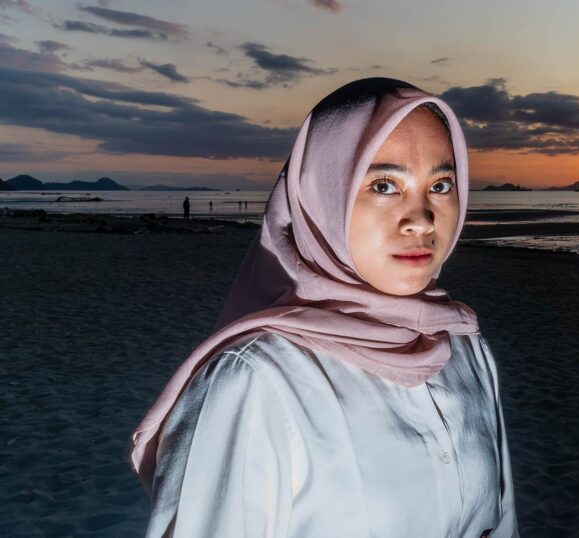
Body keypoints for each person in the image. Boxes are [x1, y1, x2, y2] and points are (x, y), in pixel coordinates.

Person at [130, 79, 518, 536]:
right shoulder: (259, 382)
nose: (421, 218)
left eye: (441, 184)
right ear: (320, 196)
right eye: (384, 184)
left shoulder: (466, 352)